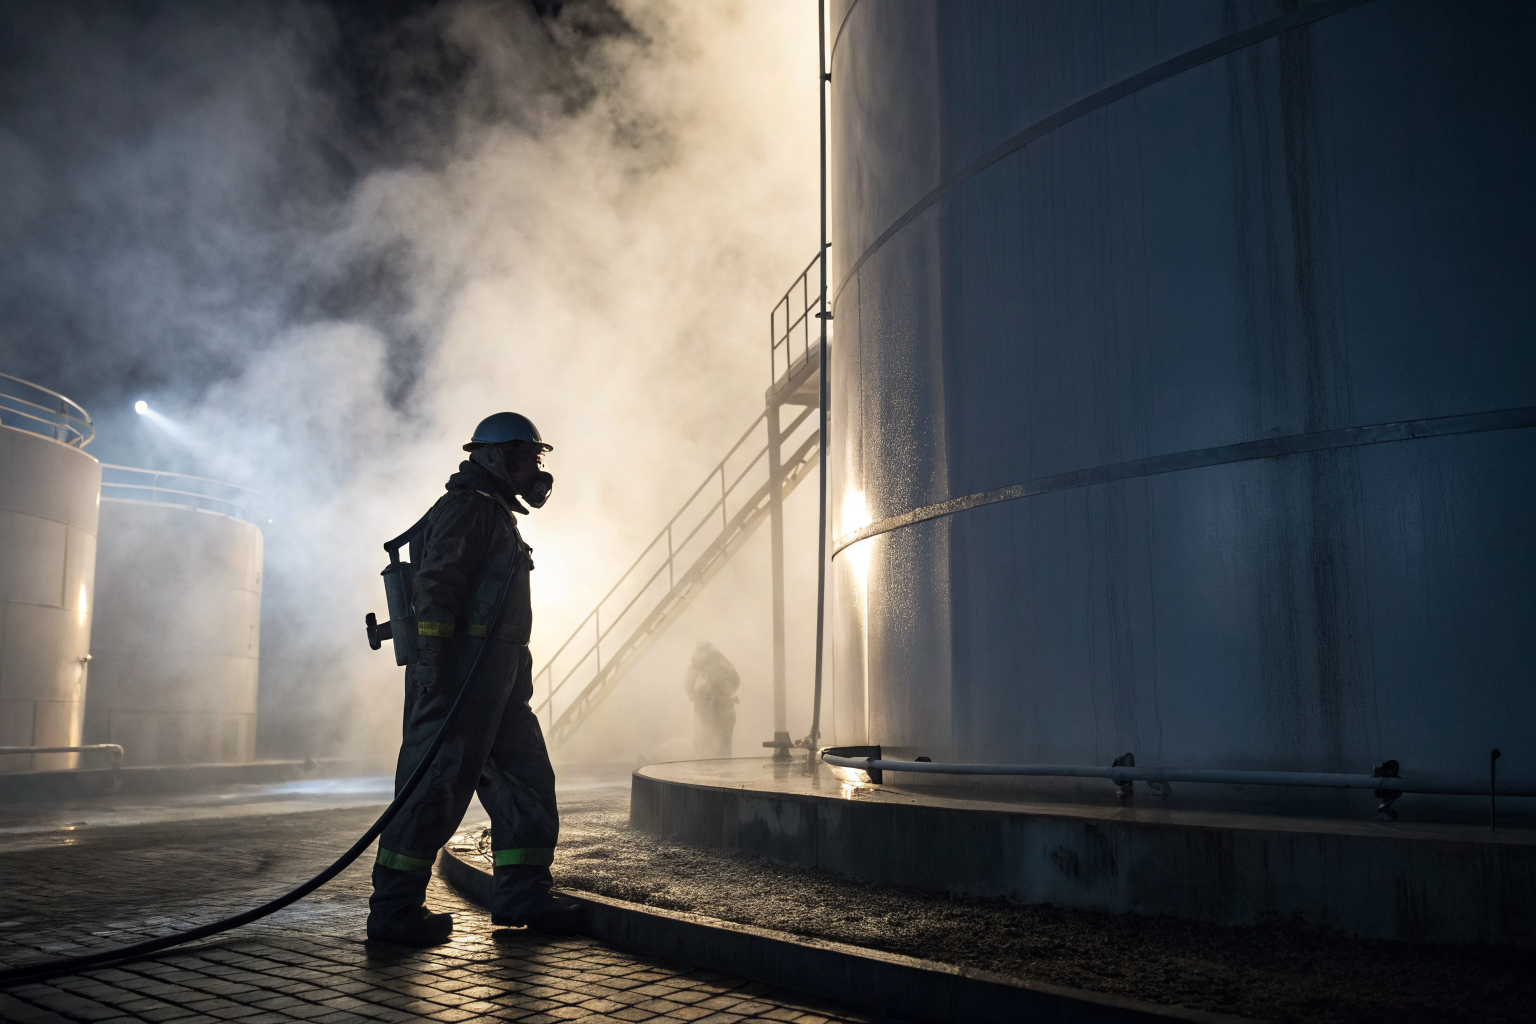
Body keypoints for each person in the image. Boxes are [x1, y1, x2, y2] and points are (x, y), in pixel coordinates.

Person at [367, 411, 583, 946]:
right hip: (458, 681)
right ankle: (394, 911)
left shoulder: (494, 514)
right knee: (433, 789)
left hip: (496, 686)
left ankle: (522, 896)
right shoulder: (467, 509)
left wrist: (514, 681)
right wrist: (436, 669)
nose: (536, 468)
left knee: (527, 783)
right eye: (529, 457)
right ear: (497, 457)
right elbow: (437, 589)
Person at [684, 641, 739, 758]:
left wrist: (697, 695)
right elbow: (734, 683)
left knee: (705, 748)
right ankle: (721, 772)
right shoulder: (723, 664)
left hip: (711, 712)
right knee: (720, 750)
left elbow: (689, 692)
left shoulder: (696, 667)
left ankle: (708, 771)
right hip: (721, 712)